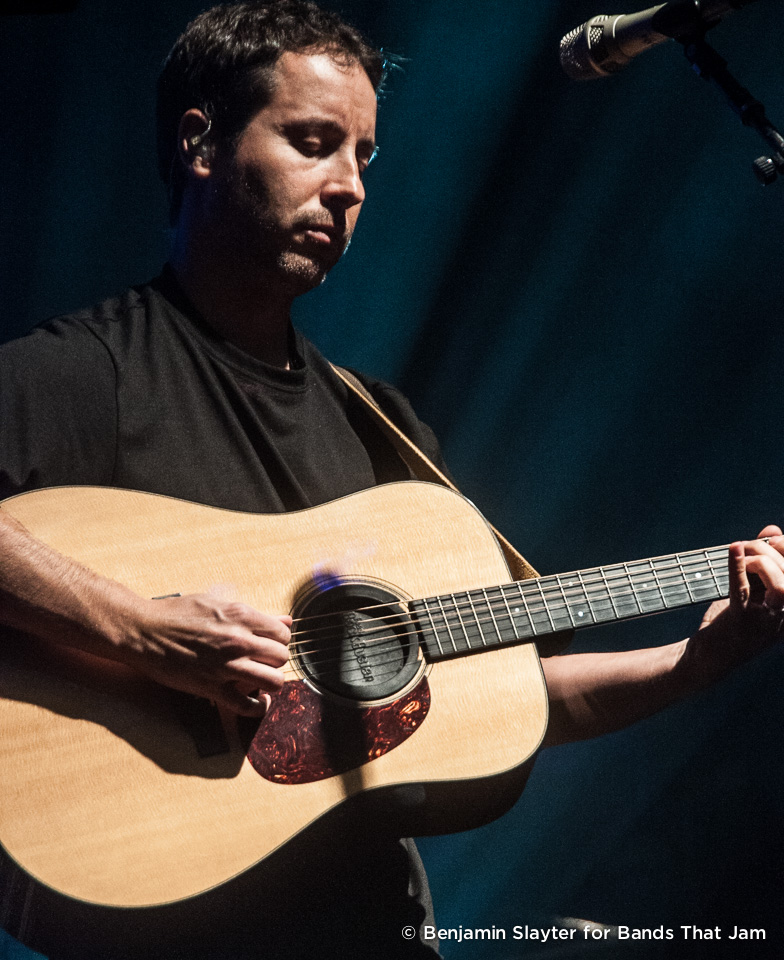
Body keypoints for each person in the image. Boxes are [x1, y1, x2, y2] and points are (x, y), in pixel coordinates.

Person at [1, 2, 783, 958]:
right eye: (314, 142)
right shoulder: (85, 373)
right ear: (201, 143)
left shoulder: (382, 432)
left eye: (364, 158)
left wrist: (692, 665)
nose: (347, 188)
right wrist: (141, 630)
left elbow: (502, 694)